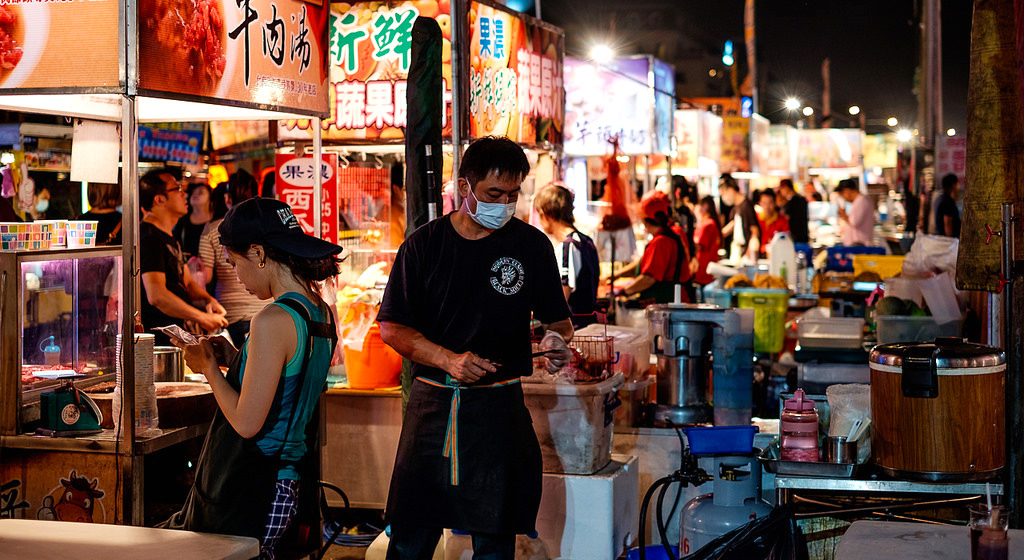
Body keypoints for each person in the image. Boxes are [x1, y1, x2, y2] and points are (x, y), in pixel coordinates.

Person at [377, 136, 573, 560]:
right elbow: (392, 328)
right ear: (465, 188)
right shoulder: (423, 246)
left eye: (513, 195)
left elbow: (559, 323)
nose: (504, 205)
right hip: (433, 408)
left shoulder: (532, 247)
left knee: (494, 539)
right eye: (493, 194)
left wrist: (557, 341)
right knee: (411, 539)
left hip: (499, 413)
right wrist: (449, 359)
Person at [163, 197, 343, 560]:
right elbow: (289, 382)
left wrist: (208, 368)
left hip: (252, 483)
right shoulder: (319, 311)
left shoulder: (272, 319)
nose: (238, 277)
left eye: (234, 263)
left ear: (259, 253)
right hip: (290, 481)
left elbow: (247, 423)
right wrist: (235, 360)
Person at [139, 168, 227, 344]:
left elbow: (188, 283)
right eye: (176, 189)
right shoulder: (149, 237)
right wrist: (202, 317)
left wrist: (209, 300)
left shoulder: (170, 236)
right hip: (158, 343)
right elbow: (157, 295)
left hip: (175, 336)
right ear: (159, 199)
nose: (184, 194)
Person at [198, 170, 267, 345]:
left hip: (231, 314)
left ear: (227, 198)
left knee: (238, 369)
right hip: (266, 310)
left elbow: (205, 277)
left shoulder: (214, 229)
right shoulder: (265, 228)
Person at [533, 183, 600, 327]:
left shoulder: (568, 246)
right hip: (589, 324)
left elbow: (563, 293)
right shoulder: (585, 240)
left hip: (575, 328)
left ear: (546, 214)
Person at [613, 190, 691, 303]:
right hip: (673, 300)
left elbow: (649, 278)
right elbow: (644, 263)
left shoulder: (661, 242)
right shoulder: (667, 235)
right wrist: (617, 275)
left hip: (668, 303)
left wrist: (624, 291)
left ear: (647, 220)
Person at [720, 178, 761, 263]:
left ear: (730, 190)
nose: (723, 198)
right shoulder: (736, 207)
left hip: (747, 254)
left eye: (723, 194)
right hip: (738, 252)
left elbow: (755, 232)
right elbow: (733, 224)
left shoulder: (746, 205)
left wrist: (748, 254)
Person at [174, 182, 214, 259]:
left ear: (210, 197)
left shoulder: (216, 222)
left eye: (200, 192)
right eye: (193, 193)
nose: (195, 195)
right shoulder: (182, 221)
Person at [690, 196, 722, 288]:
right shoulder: (711, 223)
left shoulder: (707, 225)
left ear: (705, 206)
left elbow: (698, 246)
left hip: (702, 270)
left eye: (698, 205)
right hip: (707, 270)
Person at [834, 179, 875, 246]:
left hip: (859, 244)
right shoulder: (861, 200)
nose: (843, 197)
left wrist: (843, 214)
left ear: (847, 191)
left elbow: (854, 222)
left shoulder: (861, 201)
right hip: (857, 244)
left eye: (842, 194)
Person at [777, 179, 809, 244]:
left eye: (781, 189)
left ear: (786, 188)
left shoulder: (791, 203)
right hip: (804, 235)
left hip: (795, 237)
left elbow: (787, 219)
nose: (781, 192)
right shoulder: (802, 199)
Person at [933, 173, 962, 238]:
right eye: (958, 184)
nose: (959, 187)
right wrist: (951, 242)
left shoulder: (939, 199)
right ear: (954, 185)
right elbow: (948, 225)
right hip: (948, 243)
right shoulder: (948, 202)